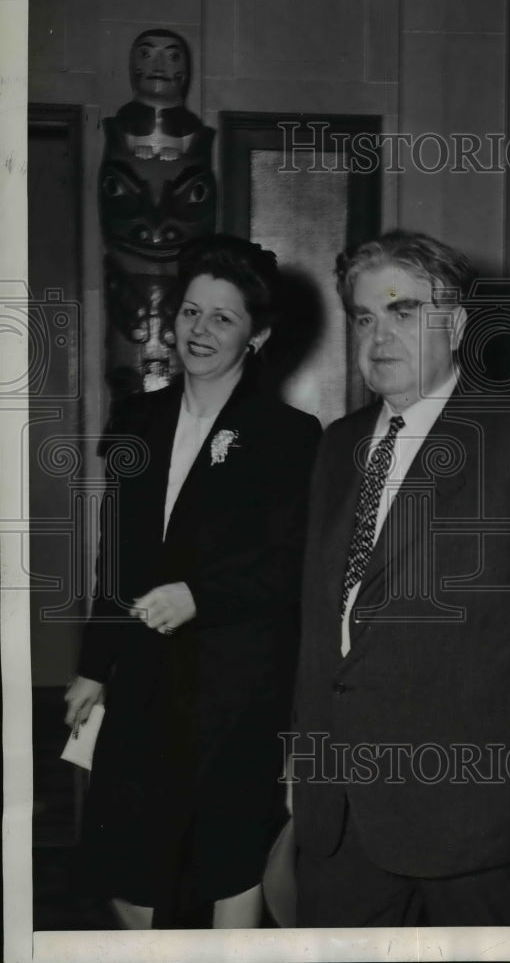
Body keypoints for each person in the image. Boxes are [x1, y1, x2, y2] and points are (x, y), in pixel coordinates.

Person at [290, 229, 510, 927]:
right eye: (364, 316)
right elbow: (326, 622)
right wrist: (302, 757)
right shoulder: (337, 445)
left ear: (456, 324)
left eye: (404, 311)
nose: (379, 336)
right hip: (341, 814)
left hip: (473, 819)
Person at [64, 234, 321, 929]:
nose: (197, 331)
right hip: (147, 674)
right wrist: (94, 666)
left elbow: (292, 564)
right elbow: (114, 555)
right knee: (129, 865)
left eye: (222, 318)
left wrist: (202, 597)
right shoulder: (136, 419)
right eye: (189, 312)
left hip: (238, 683)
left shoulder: (291, 436)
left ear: (257, 335)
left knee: (228, 857)